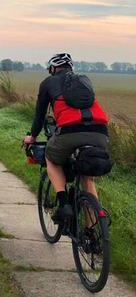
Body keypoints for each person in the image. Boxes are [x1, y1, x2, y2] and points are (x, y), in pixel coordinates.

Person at [22, 53, 108, 223]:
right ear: (71, 68)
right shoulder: (84, 80)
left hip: (69, 129)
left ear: (53, 68)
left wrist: (32, 137)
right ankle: (92, 233)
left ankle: (64, 205)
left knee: (51, 159)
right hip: (100, 130)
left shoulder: (48, 83)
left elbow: (40, 115)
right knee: (87, 178)